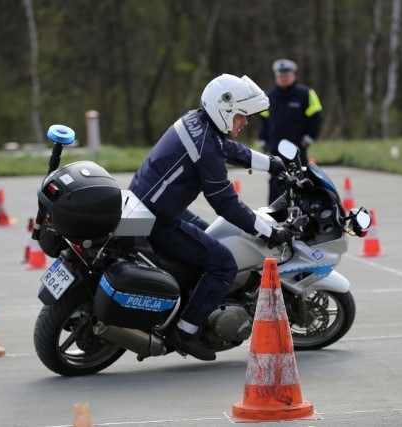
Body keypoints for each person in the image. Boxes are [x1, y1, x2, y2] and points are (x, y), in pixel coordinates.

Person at [128, 74, 291, 361]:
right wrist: (268, 232)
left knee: (213, 235)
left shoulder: (197, 121)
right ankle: (185, 330)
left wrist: (272, 164)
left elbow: (229, 149)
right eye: (242, 116)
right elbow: (225, 203)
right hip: (159, 219)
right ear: (225, 111)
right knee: (224, 263)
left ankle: (196, 304)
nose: (246, 122)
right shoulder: (206, 147)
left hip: (150, 205)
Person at [258, 59, 324, 204]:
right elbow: (264, 122)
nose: (284, 78)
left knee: (301, 180)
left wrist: (309, 138)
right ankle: (275, 215)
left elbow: (316, 117)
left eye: (287, 75)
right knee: (276, 181)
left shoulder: (306, 94)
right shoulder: (269, 97)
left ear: (293, 75)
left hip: (298, 149)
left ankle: (302, 210)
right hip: (275, 148)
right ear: (276, 77)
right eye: (280, 75)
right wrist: (263, 140)